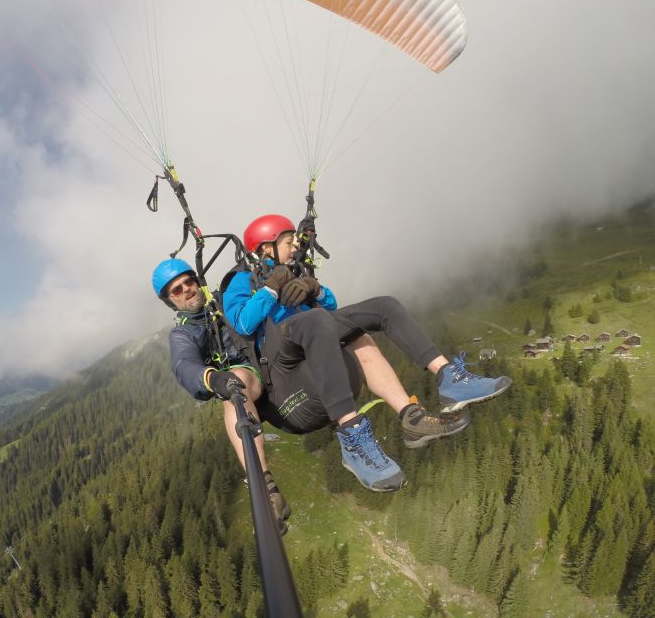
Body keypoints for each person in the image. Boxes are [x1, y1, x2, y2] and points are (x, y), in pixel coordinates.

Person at [222, 214, 512, 492]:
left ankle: (441, 387)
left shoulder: (296, 273)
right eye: (288, 242)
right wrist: (271, 288)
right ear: (265, 248)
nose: (295, 247)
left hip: (311, 337)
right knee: (315, 320)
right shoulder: (241, 280)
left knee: (383, 306)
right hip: (281, 363)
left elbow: (331, 311)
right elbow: (243, 323)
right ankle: (352, 435)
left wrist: (316, 289)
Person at [152, 258, 292, 534]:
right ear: (171, 301)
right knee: (233, 390)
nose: (186, 290)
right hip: (243, 378)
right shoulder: (184, 333)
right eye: (176, 290)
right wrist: (212, 377)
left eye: (188, 282)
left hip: (272, 361)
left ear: (197, 281)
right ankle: (265, 486)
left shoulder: (224, 300)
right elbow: (183, 365)